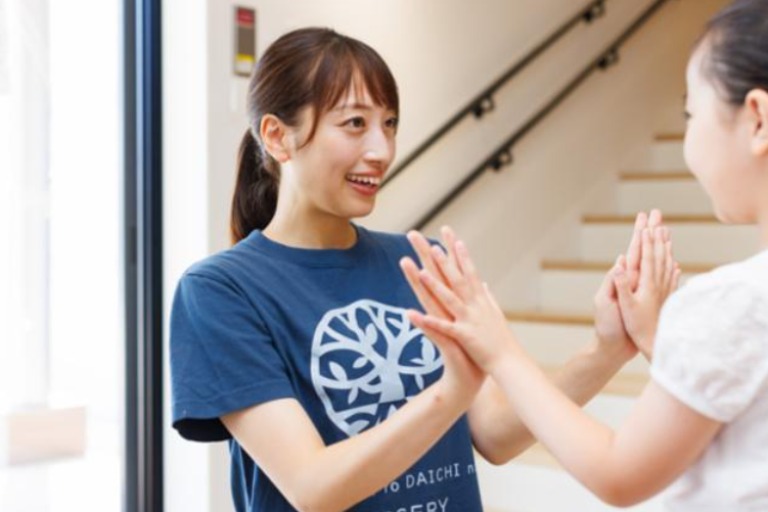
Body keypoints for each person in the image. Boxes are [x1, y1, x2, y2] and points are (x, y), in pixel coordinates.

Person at [169, 27, 667, 512]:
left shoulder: (422, 261)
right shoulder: (219, 291)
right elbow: (312, 488)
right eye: (355, 123)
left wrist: (606, 350)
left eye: (389, 124)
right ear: (278, 137)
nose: (382, 151)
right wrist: (450, 394)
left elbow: (495, 435)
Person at [404, 1, 768, 509]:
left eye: (691, 114)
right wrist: (656, 338)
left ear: (757, 119)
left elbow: (618, 474)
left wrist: (500, 350)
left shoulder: (730, 301)